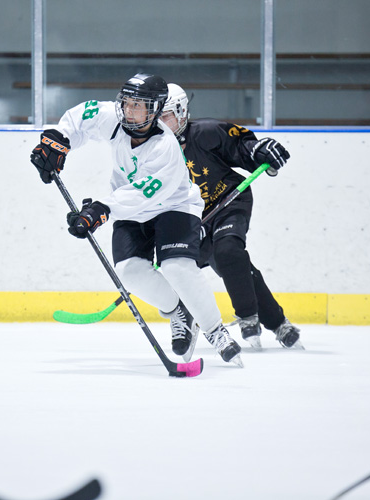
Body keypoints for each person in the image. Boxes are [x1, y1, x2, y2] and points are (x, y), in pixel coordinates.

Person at [30, 73, 244, 366]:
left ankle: (215, 330)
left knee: (177, 267)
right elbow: (83, 116)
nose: (129, 110)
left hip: (174, 206)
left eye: (138, 105)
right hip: (129, 210)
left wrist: (101, 209)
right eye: (126, 102)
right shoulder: (114, 119)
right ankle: (179, 310)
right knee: (130, 272)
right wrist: (59, 139)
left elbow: (145, 194)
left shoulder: (164, 146)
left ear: (155, 109)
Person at [159, 83, 303, 350]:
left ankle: (248, 316)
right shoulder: (152, 150)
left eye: (164, 115)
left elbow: (243, 145)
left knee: (228, 251)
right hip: (191, 219)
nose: (159, 122)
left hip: (228, 201)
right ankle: (278, 322)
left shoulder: (206, 132)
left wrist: (260, 152)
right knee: (189, 269)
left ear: (181, 112)